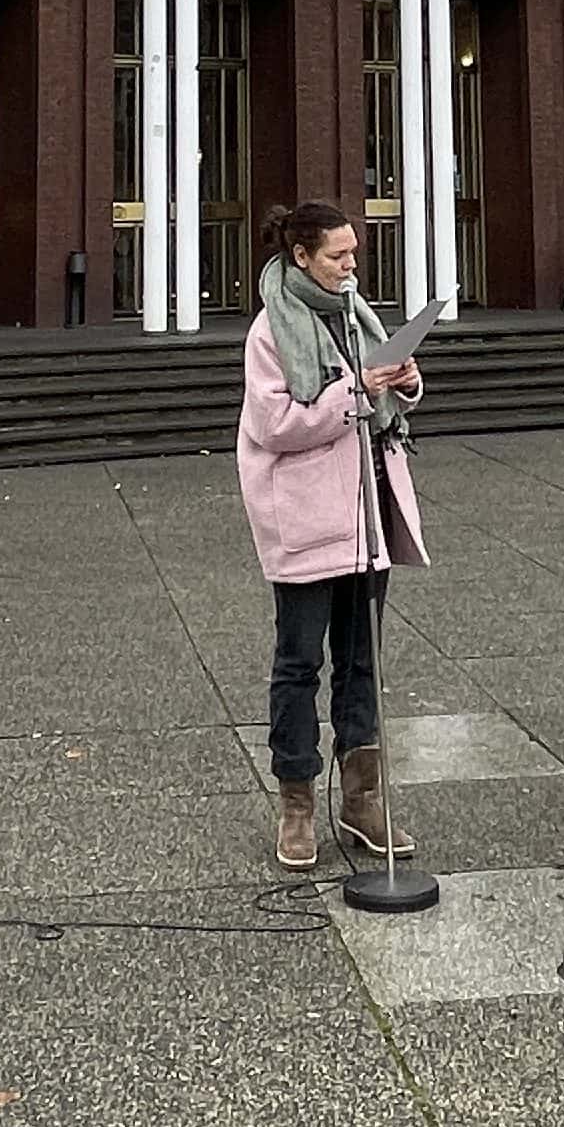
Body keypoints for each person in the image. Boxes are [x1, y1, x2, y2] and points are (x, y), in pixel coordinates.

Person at [237, 200, 426, 872]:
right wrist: (357, 389)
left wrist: (402, 381)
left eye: (354, 254)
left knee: (363, 659)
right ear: (301, 257)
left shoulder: (354, 313)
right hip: (307, 517)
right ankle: (295, 801)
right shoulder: (271, 329)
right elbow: (274, 425)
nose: (351, 267)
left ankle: (362, 799)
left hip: (367, 507)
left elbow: (381, 394)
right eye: (338, 256)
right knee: (299, 663)